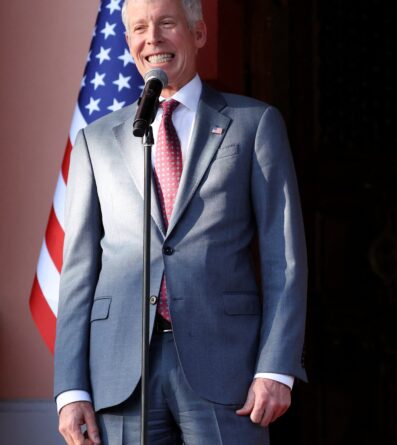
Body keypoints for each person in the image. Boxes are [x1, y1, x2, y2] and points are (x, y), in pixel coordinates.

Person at [53, 0, 307, 443]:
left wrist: (276, 367)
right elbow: (78, 271)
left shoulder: (254, 124)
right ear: (128, 41)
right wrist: (71, 390)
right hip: (120, 371)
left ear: (199, 33)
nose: (152, 38)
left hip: (226, 366)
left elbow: (282, 256)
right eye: (139, 29)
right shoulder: (95, 141)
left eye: (166, 23)